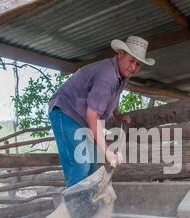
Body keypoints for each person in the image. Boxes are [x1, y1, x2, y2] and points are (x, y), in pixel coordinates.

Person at [48, 36, 155, 188]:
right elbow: (93, 115)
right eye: (131, 60)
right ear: (120, 53)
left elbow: (108, 99)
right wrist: (108, 152)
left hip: (81, 117)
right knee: (80, 166)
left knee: (92, 166)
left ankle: (89, 208)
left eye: (138, 64)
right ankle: (77, 209)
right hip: (66, 111)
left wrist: (116, 115)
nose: (134, 67)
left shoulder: (121, 76)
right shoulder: (107, 76)